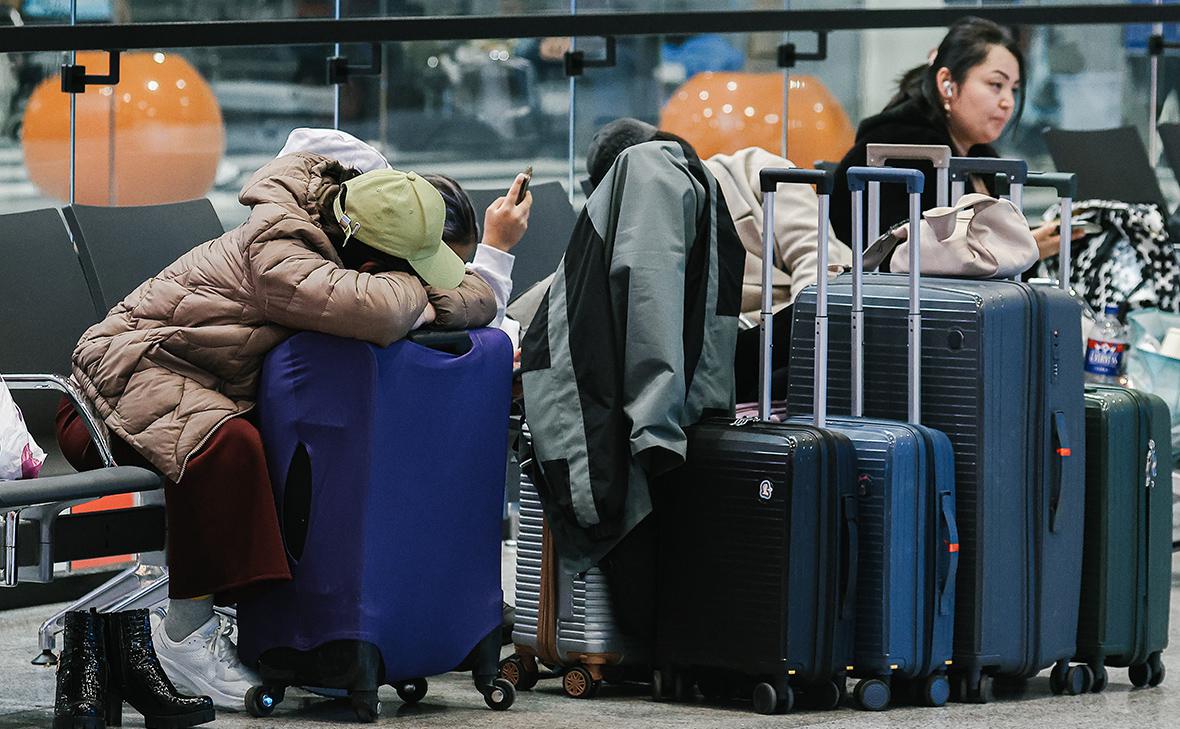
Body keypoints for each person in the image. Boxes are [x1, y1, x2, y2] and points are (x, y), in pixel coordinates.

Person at [55, 153, 496, 710]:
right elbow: (382, 314)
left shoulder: (347, 234)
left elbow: (478, 294)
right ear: (371, 254)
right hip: (117, 380)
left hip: (206, 382)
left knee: (296, 451)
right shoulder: (282, 253)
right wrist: (420, 300)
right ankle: (183, 638)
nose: (415, 278)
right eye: (408, 266)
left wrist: (419, 296)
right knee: (228, 446)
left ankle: (300, 638)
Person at [579, 117, 851, 402]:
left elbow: (817, 258)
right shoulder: (635, 232)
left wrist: (806, 334)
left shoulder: (754, 171)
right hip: (724, 350)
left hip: (802, 324)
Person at [830, 17, 1071, 262]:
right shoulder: (902, 149)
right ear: (947, 84)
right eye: (996, 85)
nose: (1008, 101)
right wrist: (1025, 250)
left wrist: (1033, 246)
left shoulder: (980, 156)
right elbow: (916, 260)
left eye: (1014, 89)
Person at [278, 127, 532, 345]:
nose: (434, 284)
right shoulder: (290, 268)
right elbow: (386, 310)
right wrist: (496, 247)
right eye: (424, 270)